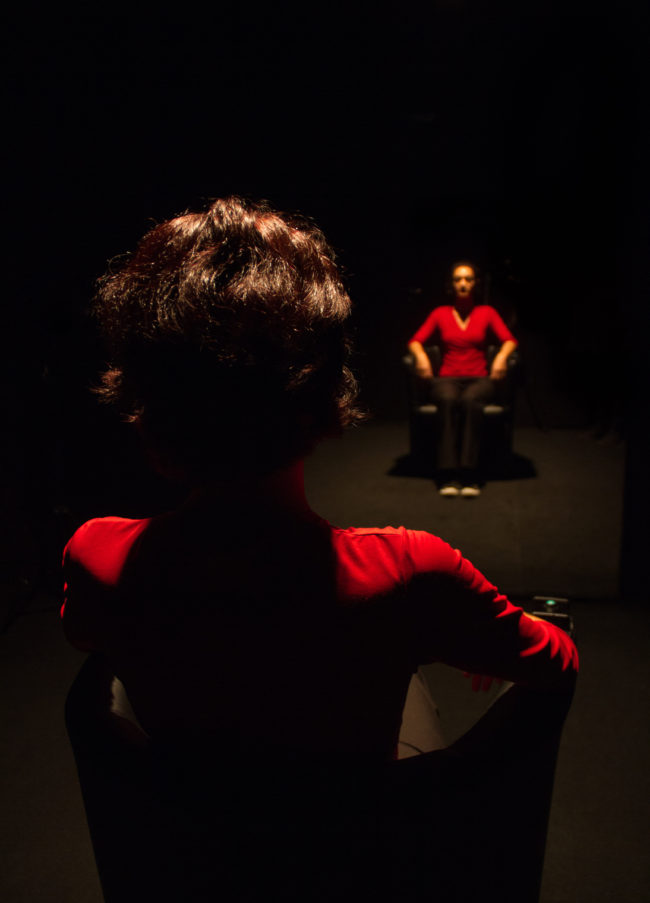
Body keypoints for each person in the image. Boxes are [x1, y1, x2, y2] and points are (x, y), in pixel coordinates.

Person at [61, 199, 576, 897]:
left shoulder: (96, 554)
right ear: (321, 392)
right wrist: (470, 626)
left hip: (197, 866)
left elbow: (88, 638)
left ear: (150, 406)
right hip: (363, 865)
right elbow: (555, 662)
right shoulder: (413, 572)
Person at [407, 262, 518, 497]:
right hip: (447, 378)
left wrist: (500, 357)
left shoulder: (486, 312)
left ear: (475, 283)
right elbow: (415, 341)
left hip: (478, 379)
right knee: (447, 399)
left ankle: (469, 473)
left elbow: (510, 340)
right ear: (452, 285)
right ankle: (448, 473)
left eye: (468, 279)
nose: (463, 284)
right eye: (458, 279)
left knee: (470, 400)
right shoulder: (440, 313)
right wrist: (421, 357)